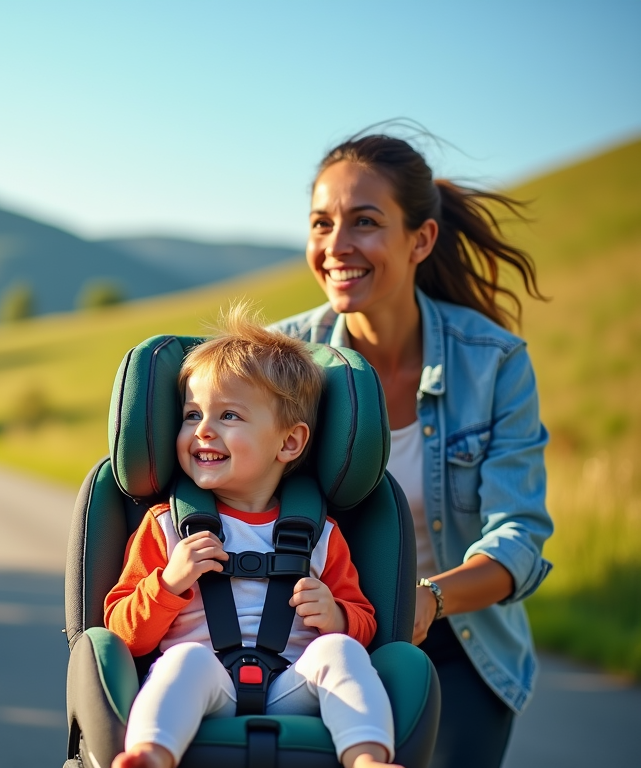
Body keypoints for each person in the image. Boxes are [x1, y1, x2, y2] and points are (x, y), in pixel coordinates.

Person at [273, 132, 553, 768]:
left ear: (420, 239)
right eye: (322, 223)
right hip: (310, 637)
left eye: (364, 222)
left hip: (457, 642)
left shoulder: (495, 363)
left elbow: (518, 536)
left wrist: (428, 596)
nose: (337, 246)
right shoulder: (281, 360)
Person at [107, 306, 399, 768]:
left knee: (339, 652)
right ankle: (151, 754)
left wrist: (338, 617)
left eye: (228, 415)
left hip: (295, 685)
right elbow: (123, 632)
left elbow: (365, 623)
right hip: (205, 687)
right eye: (191, 415)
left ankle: (366, 758)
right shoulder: (164, 527)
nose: (202, 429)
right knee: (185, 662)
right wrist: (167, 584)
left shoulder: (321, 536)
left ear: (288, 443)